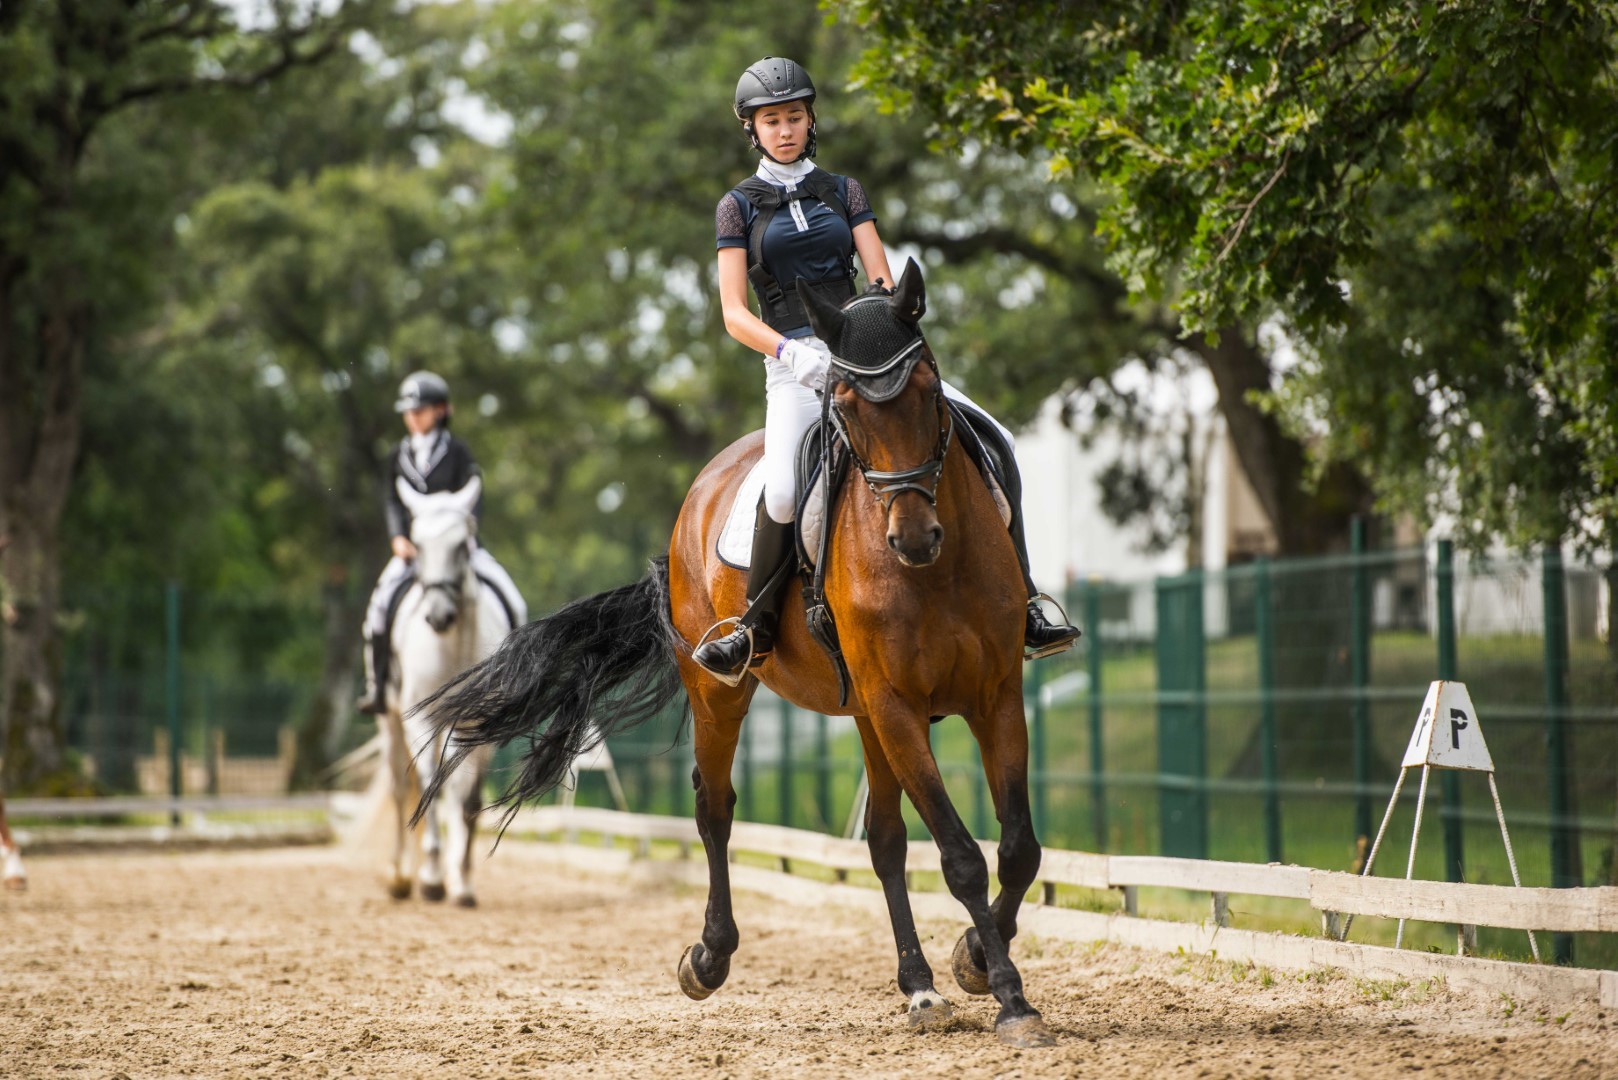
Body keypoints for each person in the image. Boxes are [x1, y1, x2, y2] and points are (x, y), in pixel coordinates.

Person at [692, 56, 1080, 682]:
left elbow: (879, 276)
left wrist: (877, 333)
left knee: (998, 439)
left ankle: (1028, 601)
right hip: (793, 366)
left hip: (868, 353)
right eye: (772, 120)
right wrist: (792, 353)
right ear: (752, 129)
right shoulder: (736, 207)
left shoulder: (845, 191)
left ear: (810, 119)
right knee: (787, 490)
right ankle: (752, 628)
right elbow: (735, 313)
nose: (785, 129)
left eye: (794, 116)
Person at [357, 371, 528, 714]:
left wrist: (466, 530)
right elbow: (392, 499)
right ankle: (378, 686)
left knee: (515, 602)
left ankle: (516, 686)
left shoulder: (458, 451)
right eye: (408, 411)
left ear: (439, 410)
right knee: (378, 607)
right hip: (415, 551)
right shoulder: (398, 454)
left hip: (457, 546)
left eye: (419, 409)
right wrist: (398, 537)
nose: (412, 417)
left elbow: (475, 494)